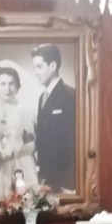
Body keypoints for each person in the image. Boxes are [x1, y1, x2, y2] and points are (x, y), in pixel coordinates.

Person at [0, 61, 38, 199]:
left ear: (17, 87)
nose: (8, 88)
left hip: (20, 164)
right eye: (3, 84)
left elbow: (31, 144)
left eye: (11, 83)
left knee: (23, 201)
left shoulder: (24, 110)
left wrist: (11, 152)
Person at [31, 43, 76, 193]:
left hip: (64, 181)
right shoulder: (41, 98)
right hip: (47, 177)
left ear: (53, 66)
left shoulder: (70, 95)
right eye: (34, 68)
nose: (35, 72)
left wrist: (66, 183)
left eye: (39, 67)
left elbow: (72, 143)